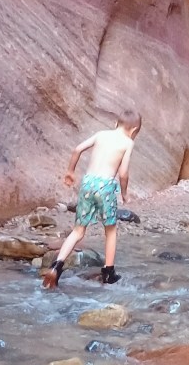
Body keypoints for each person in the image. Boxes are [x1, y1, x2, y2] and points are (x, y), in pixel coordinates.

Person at [42, 110, 142, 288]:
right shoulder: (127, 143)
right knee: (110, 230)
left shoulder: (101, 134)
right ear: (134, 130)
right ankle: (108, 272)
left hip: (87, 183)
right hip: (105, 187)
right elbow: (123, 173)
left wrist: (70, 171)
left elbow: (77, 149)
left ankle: (56, 267)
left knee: (78, 230)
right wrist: (125, 193)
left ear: (115, 124)